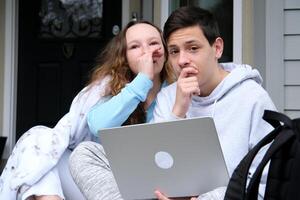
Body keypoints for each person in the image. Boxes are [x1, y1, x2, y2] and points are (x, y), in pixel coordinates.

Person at [70, 6, 277, 200]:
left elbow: (264, 181)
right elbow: (158, 167)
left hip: (219, 196)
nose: (182, 60)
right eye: (175, 51)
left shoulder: (252, 98)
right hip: (163, 194)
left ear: (217, 48)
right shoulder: (169, 96)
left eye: (193, 48)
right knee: (85, 153)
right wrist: (178, 111)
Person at [0, 20, 174, 200]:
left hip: (148, 188)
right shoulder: (111, 88)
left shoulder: (176, 92)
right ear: (125, 57)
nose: (147, 51)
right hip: (100, 184)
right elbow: (98, 125)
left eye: (153, 43)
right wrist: (143, 80)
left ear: (165, 51)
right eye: (135, 46)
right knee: (40, 144)